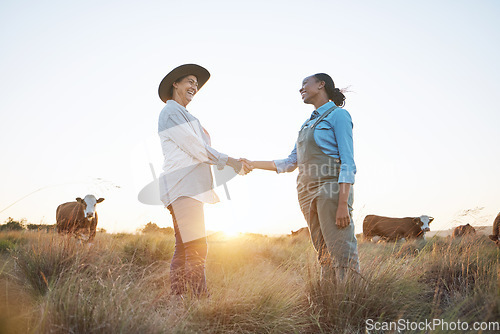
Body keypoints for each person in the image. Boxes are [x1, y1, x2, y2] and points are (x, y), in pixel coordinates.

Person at [241, 73, 360, 282]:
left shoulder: (338, 116)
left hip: (330, 191)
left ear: (321, 85)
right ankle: (330, 305)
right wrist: (253, 163)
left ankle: (352, 304)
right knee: (323, 255)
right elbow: (289, 162)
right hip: (306, 194)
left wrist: (343, 204)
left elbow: (348, 163)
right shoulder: (306, 125)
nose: (300, 88)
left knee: (342, 253)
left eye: (305, 83)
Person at [157, 64, 251, 297]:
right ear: (175, 84)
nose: (194, 87)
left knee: (185, 246)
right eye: (190, 81)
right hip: (183, 186)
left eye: (196, 85)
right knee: (196, 246)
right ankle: (199, 299)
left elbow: (198, 147)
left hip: (189, 187)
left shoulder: (186, 115)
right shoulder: (171, 112)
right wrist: (231, 162)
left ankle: (180, 300)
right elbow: (196, 149)